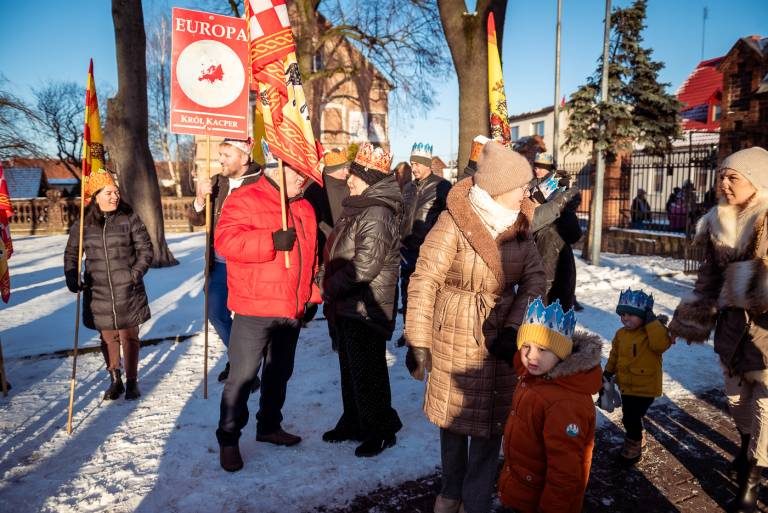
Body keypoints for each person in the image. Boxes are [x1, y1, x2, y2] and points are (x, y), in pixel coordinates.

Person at [404, 141, 546, 513]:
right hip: (456, 329)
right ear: (499, 187)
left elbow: (535, 279)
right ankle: (450, 492)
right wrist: (418, 340)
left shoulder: (520, 224)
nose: (526, 193)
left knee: (493, 420)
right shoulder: (455, 220)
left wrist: (514, 328)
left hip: (501, 335)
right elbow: (424, 280)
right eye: (521, 187)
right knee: (453, 417)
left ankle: (476, 500)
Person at [670, 146, 768, 513]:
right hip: (731, 330)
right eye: (722, 176)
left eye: (734, 177)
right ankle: (745, 448)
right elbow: (709, 279)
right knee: (738, 402)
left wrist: (743, 284)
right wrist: (687, 320)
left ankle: (752, 479)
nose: (724, 184)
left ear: (757, 182)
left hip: (765, 334)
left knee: (765, 408)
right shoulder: (718, 222)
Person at [214, 160, 321, 472]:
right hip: (254, 307)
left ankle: (269, 426)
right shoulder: (245, 197)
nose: (305, 180)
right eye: (300, 173)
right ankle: (229, 439)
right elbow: (225, 242)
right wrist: (270, 240)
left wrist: (311, 295)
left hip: (291, 308)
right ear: (280, 168)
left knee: (279, 373)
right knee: (242, 377)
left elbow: (311, 257)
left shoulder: (304, 207)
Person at [320, 143, 403, 457]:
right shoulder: (359, 206)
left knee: (368, 372)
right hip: (349, 303)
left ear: (368, 178)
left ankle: (380, 430)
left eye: (353, 174)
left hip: (366, 305)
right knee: (350, 368)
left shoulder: (377, 212)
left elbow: (365, 265)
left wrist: (329, 285)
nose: (348, 179)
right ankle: (354, 420)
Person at [498, 297, 602, 513]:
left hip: (543, 500)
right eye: (525, 346)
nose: (530, 355)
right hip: (525, 487)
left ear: (561, 354)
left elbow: (565, 470)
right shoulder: (537, 376)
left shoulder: (565, 403)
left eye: (543, 349)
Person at [64, 169, 153, 401]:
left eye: (116, 192)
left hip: (128, 290)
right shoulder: (83, 223)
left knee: (129, 336)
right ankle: (115, 380)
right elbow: (72, 253)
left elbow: (145, 250)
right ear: (96, 196)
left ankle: (132, 381)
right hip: (98, 291)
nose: (115, 196)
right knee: (107, 337)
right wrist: (72, 275)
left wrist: (133, 275)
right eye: (109, 192)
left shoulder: (129, 217)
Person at [186, 137, 262, 383]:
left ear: (244, 156)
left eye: (226, 155)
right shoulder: (217, 182)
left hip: (247, 265)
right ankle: (239, 360)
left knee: (245, 320)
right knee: (215, 312)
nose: (220, 160)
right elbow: (196, 220)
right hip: (218, 263)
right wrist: (200, 199)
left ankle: (245, 368)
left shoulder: (261, 181)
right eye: (220, 155)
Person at [603, 288, 671, 464]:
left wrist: (652, 323)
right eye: (623, 314)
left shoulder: (652, 333)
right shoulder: (620, 334)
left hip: (646, 387)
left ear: (644, 316)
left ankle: (634, 443)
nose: (626, 318)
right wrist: (608, 371)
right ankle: (638, 434)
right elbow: (614, 355)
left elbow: (661, 345)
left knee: (630, 417)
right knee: (630, 415)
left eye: (631, 314)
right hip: (626, 385)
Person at [398, 142, 451, 346]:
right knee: (407, 291)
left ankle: (431, 332)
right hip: (407, 249)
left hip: (429, 250)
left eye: (417, 164)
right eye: (412, 164)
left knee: (429, 293)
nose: (414, 168)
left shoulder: (442, 186)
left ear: (427, 164)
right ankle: (408, 330)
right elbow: (402, 214)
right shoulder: (408, 188)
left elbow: (449, 216)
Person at [528, 152, 581, 310]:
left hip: (558, 260)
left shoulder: (558, 193)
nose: (537, 170)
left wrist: (566, 208)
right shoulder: (528, 188)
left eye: (541, 167)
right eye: (535, 167)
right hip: (542, 258)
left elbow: (575, 234)